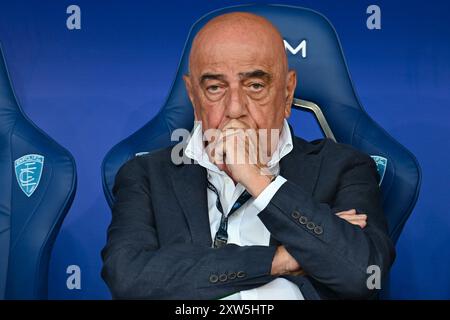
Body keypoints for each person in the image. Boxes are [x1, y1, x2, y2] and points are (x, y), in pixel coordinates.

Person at [101, 12, 395, 300]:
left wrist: (258, 179)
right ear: (193, 96)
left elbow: (364, 275)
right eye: (215, 87)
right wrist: (280, 260)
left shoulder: (344, 167)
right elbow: (128, 279)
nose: (235, 108)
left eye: (255, 86)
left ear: (287, 92)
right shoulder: (146, 175)